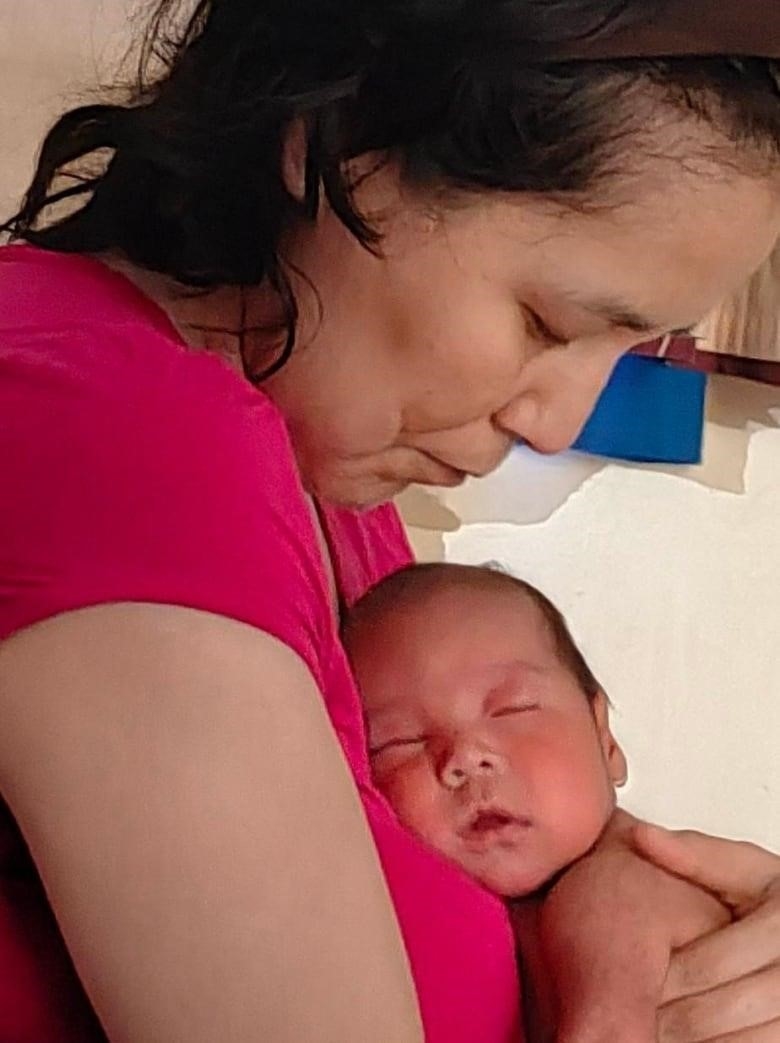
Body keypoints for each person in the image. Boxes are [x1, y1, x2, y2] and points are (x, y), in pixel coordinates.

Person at [1, 2, 780, 1041]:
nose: (553, 421)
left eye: (628, 352)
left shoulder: (330, 497)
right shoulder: (125, 427)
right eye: (549, 322)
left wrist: (621, 912)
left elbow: (533, 829)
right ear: (344, 150)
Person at [342, 562, 740, 1041]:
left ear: (605, 740)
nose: (465, 757)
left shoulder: (621, 894)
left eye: (513, 709)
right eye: (398, 741)